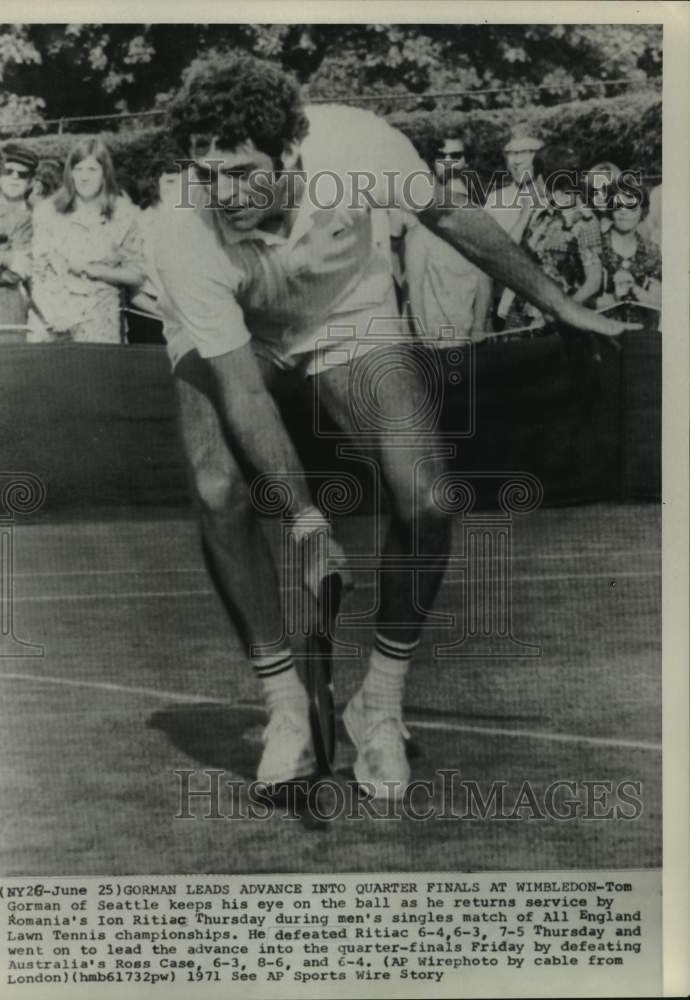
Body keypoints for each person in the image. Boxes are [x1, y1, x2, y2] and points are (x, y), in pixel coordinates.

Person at [144, 54, 635, 800]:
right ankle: (286, 712)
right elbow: (245, 392)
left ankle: (378, 705)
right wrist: (307, 520)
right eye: (206, 172)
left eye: (244, 170)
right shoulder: (181, 227)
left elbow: (454, 219)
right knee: (216, 486)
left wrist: (558, 302)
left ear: (291, 150)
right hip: (236, 333)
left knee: (431, 497)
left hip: (348, 318)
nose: (224, 193)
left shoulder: (359, 147)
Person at [32, 136, 145, 343]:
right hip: (52, 321)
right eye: (79, 169)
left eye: (92, 170)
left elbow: (137, 274)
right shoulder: (47, 211)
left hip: (100, 323)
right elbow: (36, 273)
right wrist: (53, 314)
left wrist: (96, 270)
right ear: (70, 173)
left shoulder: (125, 214)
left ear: (105, 174)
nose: (84, 177)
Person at [498, 146, 603, 330]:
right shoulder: (538, 214)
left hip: (558, 324)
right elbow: (506, 253)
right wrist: (525, 214)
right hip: (521, 315)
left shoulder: (585, 220)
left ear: (541, 178)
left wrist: (560, 312)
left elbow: (593, 282)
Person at [404, 176, 492, 342]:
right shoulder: (421, 235)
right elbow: (415, 288)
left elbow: (484, 286)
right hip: (434, 335)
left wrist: (478, 327)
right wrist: (423, 335)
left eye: (462, 199)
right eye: (449, 198)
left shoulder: (477, 237)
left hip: (466, 334)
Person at [0, 142, 36, 327]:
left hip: (4, 310)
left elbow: (17, 273)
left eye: (22, 174)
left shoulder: (27, 218)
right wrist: (4, 259)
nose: (15, 178)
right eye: (9, 171)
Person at [597, 180, 661, 308]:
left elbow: (660, 301)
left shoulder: (651, 251)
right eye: (617, 206)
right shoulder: (595, 246)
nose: (623, 211)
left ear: (642, 210)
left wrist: (637, 291)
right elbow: (576, 301)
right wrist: (613, 299)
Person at [484, 126, 544, 235]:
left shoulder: (557, 196)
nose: (517, 161)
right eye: (511, 153)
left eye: (525, 152)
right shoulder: (495, 199)